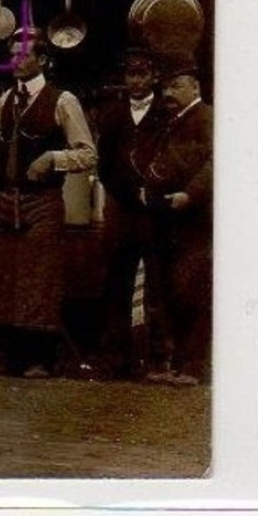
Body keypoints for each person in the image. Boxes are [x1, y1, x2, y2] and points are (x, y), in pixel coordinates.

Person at [0, 28, 97, 379]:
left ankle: (38, 358)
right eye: (12, 53)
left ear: (42, 60)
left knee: (38, 277)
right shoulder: (5, 100)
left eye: (23, 54)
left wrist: (52, 158)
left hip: (41, 200)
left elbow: (88, 154)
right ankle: (4, 355)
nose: (16, 60)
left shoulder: (63, 100)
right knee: (1, 276)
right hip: (4, 198)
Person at [92, 48, 169, 379]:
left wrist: (150, 194)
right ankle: (116, 359)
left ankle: (157, 359)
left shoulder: (167, 113)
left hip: (156, 212)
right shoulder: (110, 114)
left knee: (158, 282)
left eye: (142, 74)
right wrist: (124, 195)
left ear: (154, 77)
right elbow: (104, 164)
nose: (136, 81)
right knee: (115, 283)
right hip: (121, 210)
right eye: (131, 75)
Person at [140, 53, 213, 386]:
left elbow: (216, 162)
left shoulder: (206, 118)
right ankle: (171, 363)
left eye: (177, 85)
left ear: (194, 86)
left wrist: (191, 194)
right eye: (166, 86)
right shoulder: (171, 120)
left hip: (194, 220)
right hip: (165, 216)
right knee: (166, 290)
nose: (169, 93)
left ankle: (192, 366)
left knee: (191, 291)